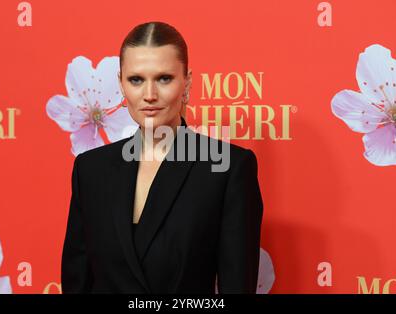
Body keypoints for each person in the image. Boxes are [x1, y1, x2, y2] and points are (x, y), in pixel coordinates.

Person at [61, 21, 263, 294]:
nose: (149, 95)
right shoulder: (90, 170)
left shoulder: (226, 169)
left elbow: (236, 287)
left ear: (187, 82)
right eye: (136, 80)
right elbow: (77, 281)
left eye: (164, 78)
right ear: (121, 84)